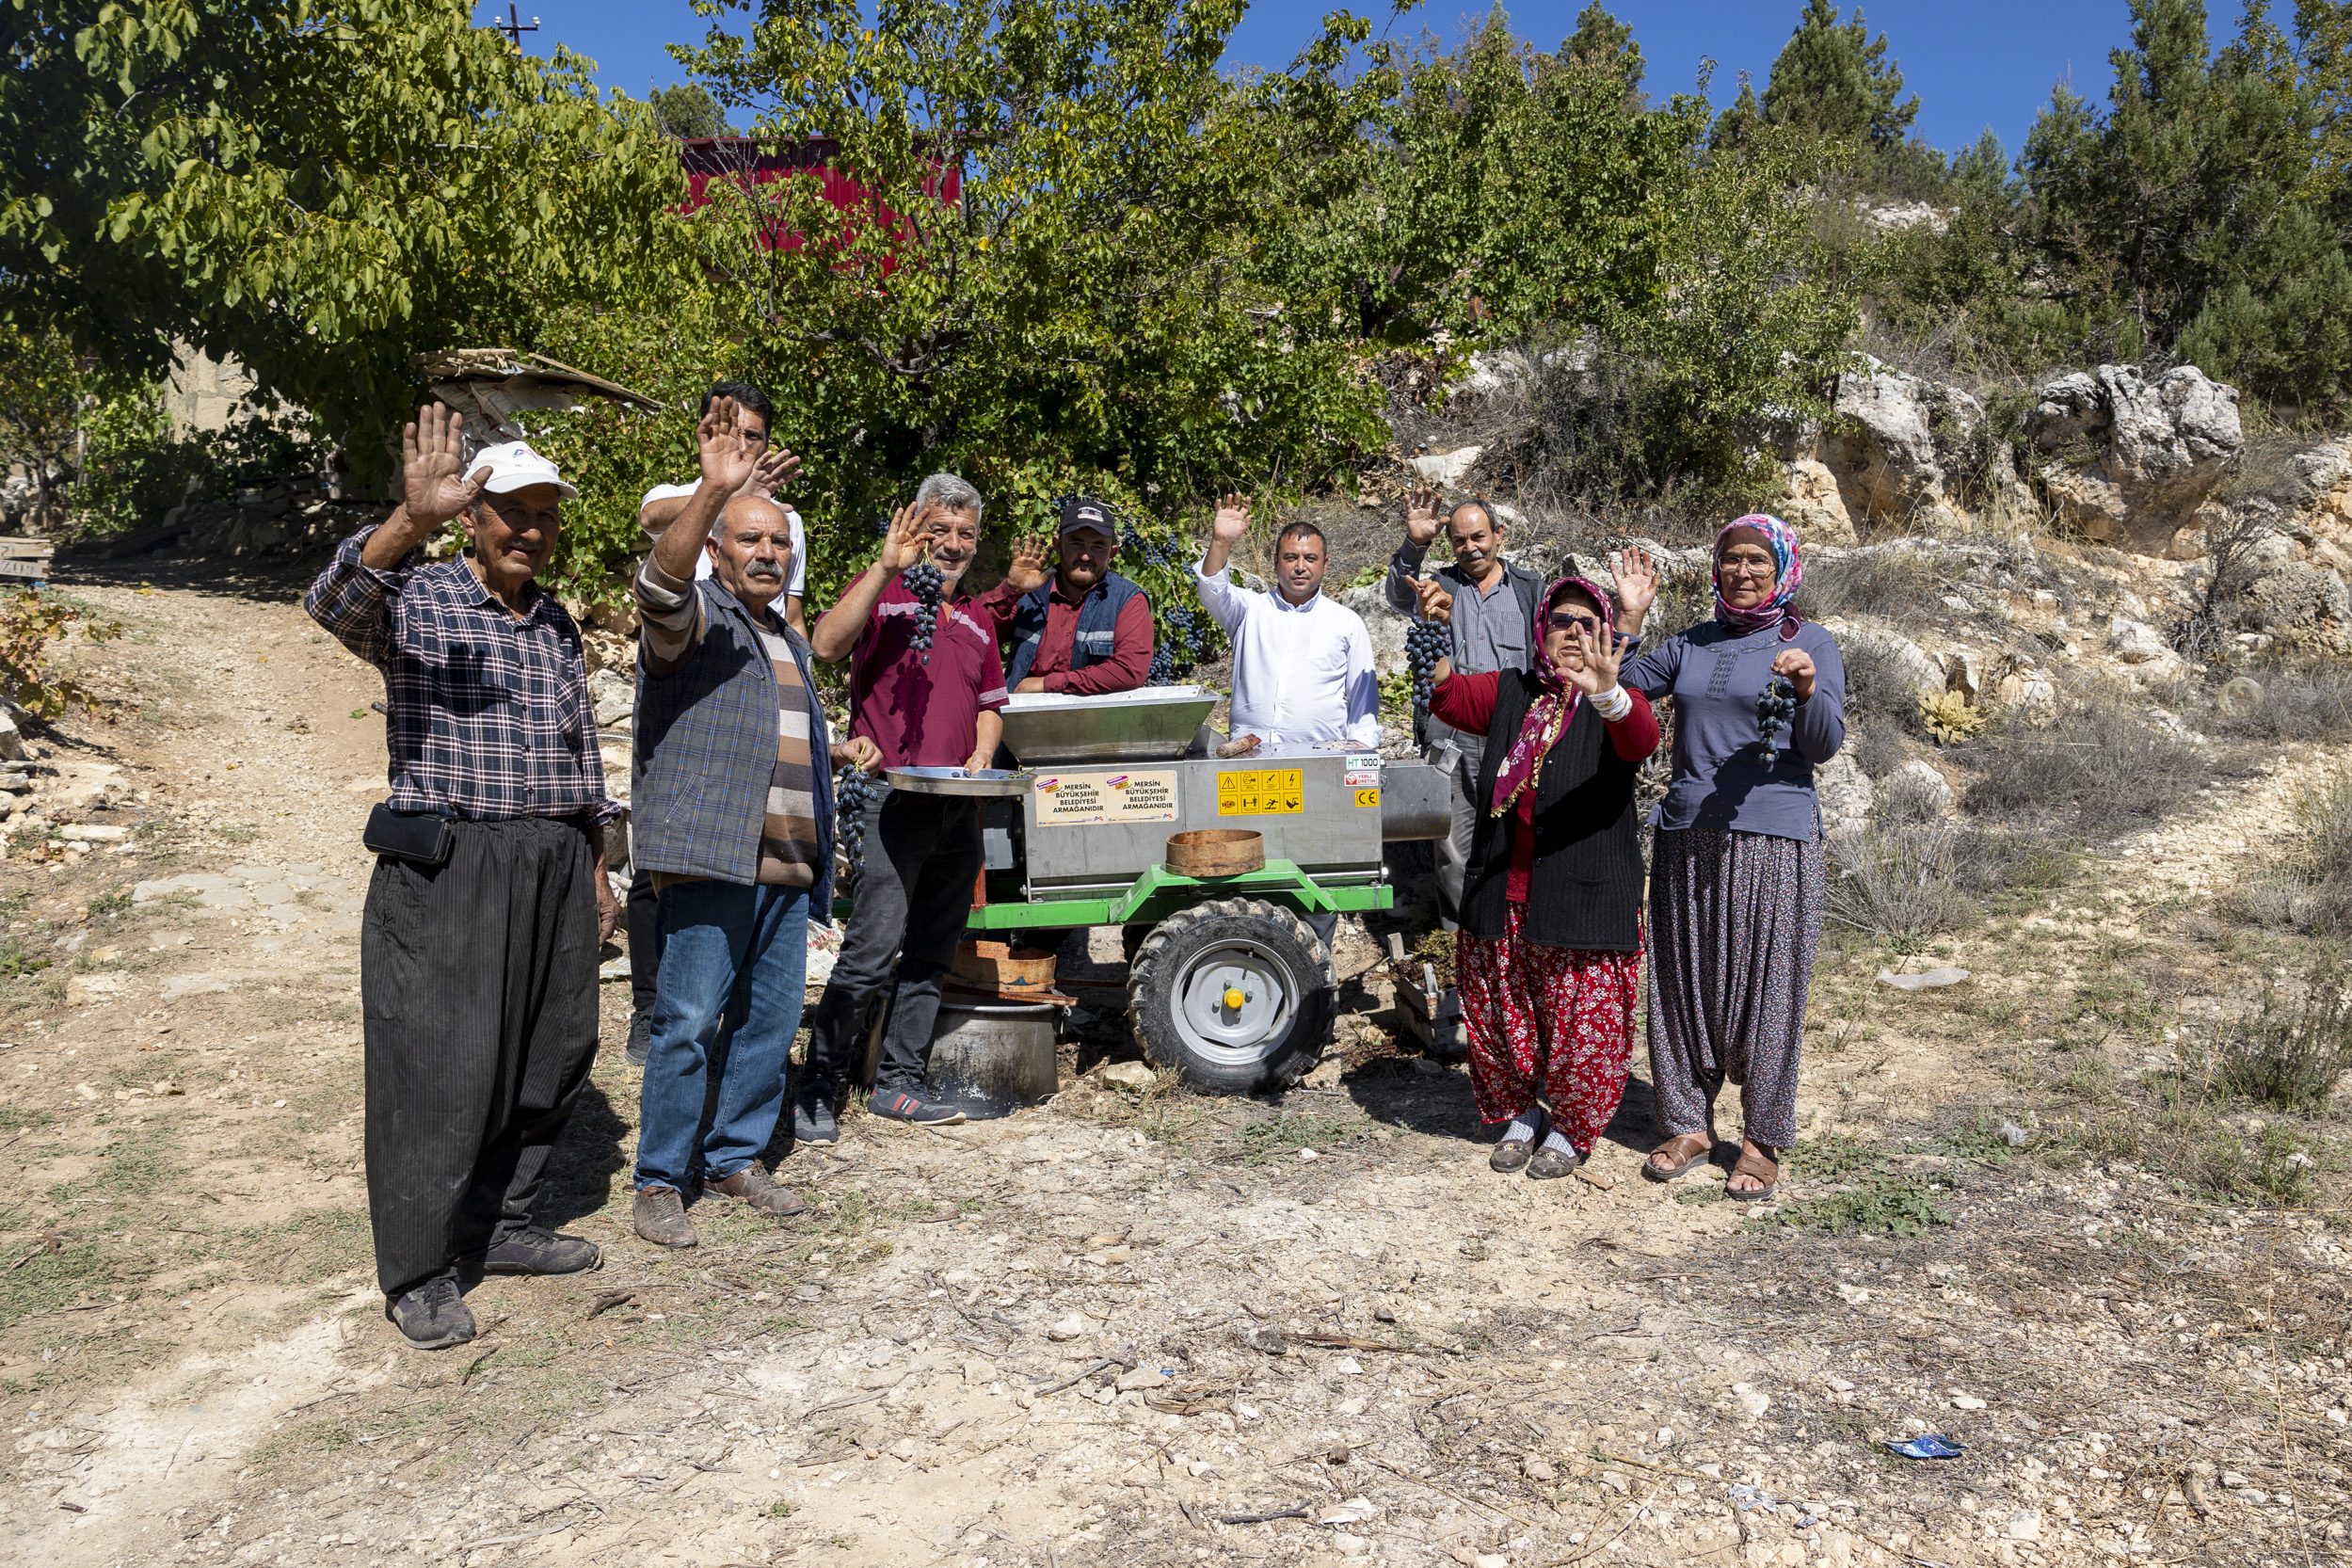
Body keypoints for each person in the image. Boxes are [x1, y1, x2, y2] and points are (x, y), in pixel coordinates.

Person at [305, 404, 620, 1352]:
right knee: (438, 1070)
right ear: (476, 517)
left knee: (552, 1050)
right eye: (511, 511)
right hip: (452, 862)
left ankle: (504, 1221)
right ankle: (420, 1268)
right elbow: (332, 601)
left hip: (555, 861)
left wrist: (597, 866)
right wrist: (410, 521)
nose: (529, 528)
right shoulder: (424, 598)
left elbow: (582, 760)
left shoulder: (558, 622)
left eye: (545, 514)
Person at [626, 397, 842, 1249]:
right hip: (716, 857)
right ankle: (658, 1178)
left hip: (787, 864)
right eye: (749, 539)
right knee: (686, 1021)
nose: (766, 552)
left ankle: (735, 1156)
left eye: (777, 542)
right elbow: (656, 586)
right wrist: (712, 494)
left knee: (767, 1020)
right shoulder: (698, 618)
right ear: (718, 550)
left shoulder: (780, 636)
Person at [1618, 515, 1848, 1202]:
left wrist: (1806, 688)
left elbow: (1825, 741)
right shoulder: (1691, 642)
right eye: (1730, 561)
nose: (1742, 573)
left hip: (1773, 838)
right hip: (1687, 831)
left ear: (1783, 570)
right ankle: (1688, 1123)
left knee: (1766, 992)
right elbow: (1619, 690)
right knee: (1682, 984)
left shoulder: (1810, 642)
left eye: (1756, 561)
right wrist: (1629, 615)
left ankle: (1761, 1138)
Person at [1428, 576, 1661, 1177]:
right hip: (1504, 891)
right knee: (1507, 1018)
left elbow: (1641, 741)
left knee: (1581, 1027)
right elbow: (1450, 699)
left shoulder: (1619, 692)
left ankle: (1571, 1128)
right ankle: (1521, 1114)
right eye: (1562, 621)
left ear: (1607, 634)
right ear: (1541, 630)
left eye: (1588, 623)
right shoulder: (1514, 689)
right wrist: (1432, 629)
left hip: (1582, 895)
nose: (1575, 632)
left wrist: (1607, 693)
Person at [797, 476, 1009, 1135]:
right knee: (869, 951)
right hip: (890, 800)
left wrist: (981, 757)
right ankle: (818, 1086)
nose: (951, 544)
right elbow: (825, 646)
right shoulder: (887, 593)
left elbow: (989, 706)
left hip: (957, 806)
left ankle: (898, 1083)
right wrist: (885, 566)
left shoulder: (977, 616)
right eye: (939, 530)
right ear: (917, 529)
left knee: (931, 953)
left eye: (964, 533)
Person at [623, 381, 805, 1068]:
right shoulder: (683, 493)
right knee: (668, 856)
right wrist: (721, 488)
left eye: (754, 435)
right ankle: (651, 1007)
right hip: (685, 656)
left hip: (755, 682)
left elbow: (789, 616)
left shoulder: (782, 521)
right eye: (729, 431)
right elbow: (656, 537)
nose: (742, 445)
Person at [1191, 495, 1380, 954]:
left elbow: (1363, 703)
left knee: (1314, 869)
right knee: (1248, 865)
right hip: (1248, 766)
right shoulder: (1249, 611)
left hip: (1317, 772)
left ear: (1325, 565)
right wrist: (1221, 540)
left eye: (1309, 558)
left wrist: (1357, 757)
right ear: (1275, 562)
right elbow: (1212, 587)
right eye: (1290, 557)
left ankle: (1315, 968)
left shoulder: (1346, 622)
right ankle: (1249, 958)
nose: (1300, 567)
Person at [1384, 488, 1545, 931]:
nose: (1470, 548)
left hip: (1514, 729)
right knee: (1453, 848)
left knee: (1518, 838)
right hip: (1451, 730)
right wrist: (1415, 544)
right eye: (1459, 541)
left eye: (1478, 537)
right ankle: (1462, 943)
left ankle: (1515, 938)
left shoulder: (1531, 589)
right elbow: (1398, 595)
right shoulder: (1439, 585)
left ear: (1500, 534)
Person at [975, 495, 1154, 695]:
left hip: (1093, 722)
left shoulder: (1128, 600)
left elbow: (1130, 670)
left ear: (1112, 554)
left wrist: (1048, 684)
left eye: (1097, 546)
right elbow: (973, 638)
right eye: (1076, 543)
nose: (1086, 555)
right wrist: (1011, 590)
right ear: (1058, 545)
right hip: (1023, 719)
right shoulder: (1029, 593)